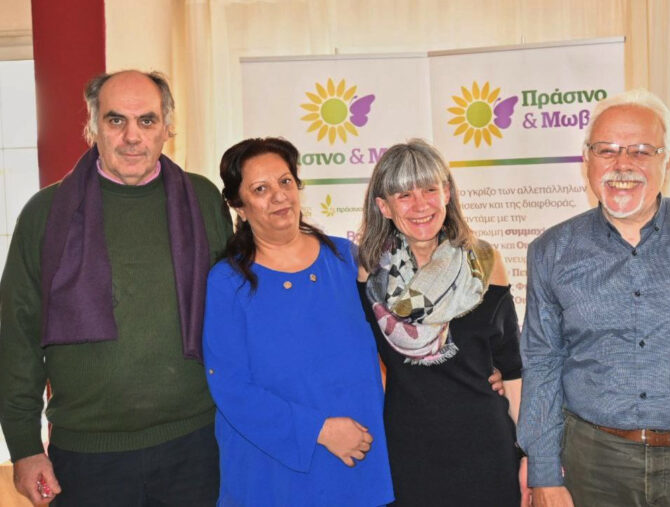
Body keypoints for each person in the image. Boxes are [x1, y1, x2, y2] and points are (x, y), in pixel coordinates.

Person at [517, 89, 670, 506]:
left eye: (641, 151)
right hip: (593, 467)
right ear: (586, 159)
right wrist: (543, 472)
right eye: (607, 150)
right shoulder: (552, 251)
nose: (622, 164)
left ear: (668, 161)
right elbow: (543, 363)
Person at [0, 70, 232, 506]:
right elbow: (17, 339)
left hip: (196, 446)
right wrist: (25, 447)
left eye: (146, 120)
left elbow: (236, 316)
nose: (131, 136)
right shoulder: (45, 214)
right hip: (86, 458)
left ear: (167, 127)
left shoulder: (203, 200)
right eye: (115, 120)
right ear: (92, 126)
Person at [202, 137, 394, 506]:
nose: (279, 196)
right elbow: (230, 387)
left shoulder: (348, 259)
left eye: (285, 181)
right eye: (260, 189)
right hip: (273, 471)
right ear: (239, 206)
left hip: (359, 460)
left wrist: (481, 367)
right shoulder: (227, 283)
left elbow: (399, 338)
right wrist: (319, 431)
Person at [356, 139, 524, 506]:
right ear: (384, 206)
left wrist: (529, 456)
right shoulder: (370, 276)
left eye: (429, 190)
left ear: (446, 192)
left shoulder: (486, 263)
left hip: (487, 448)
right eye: (404, 195)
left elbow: (512, 368)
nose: (420, 205)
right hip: (407, 454)